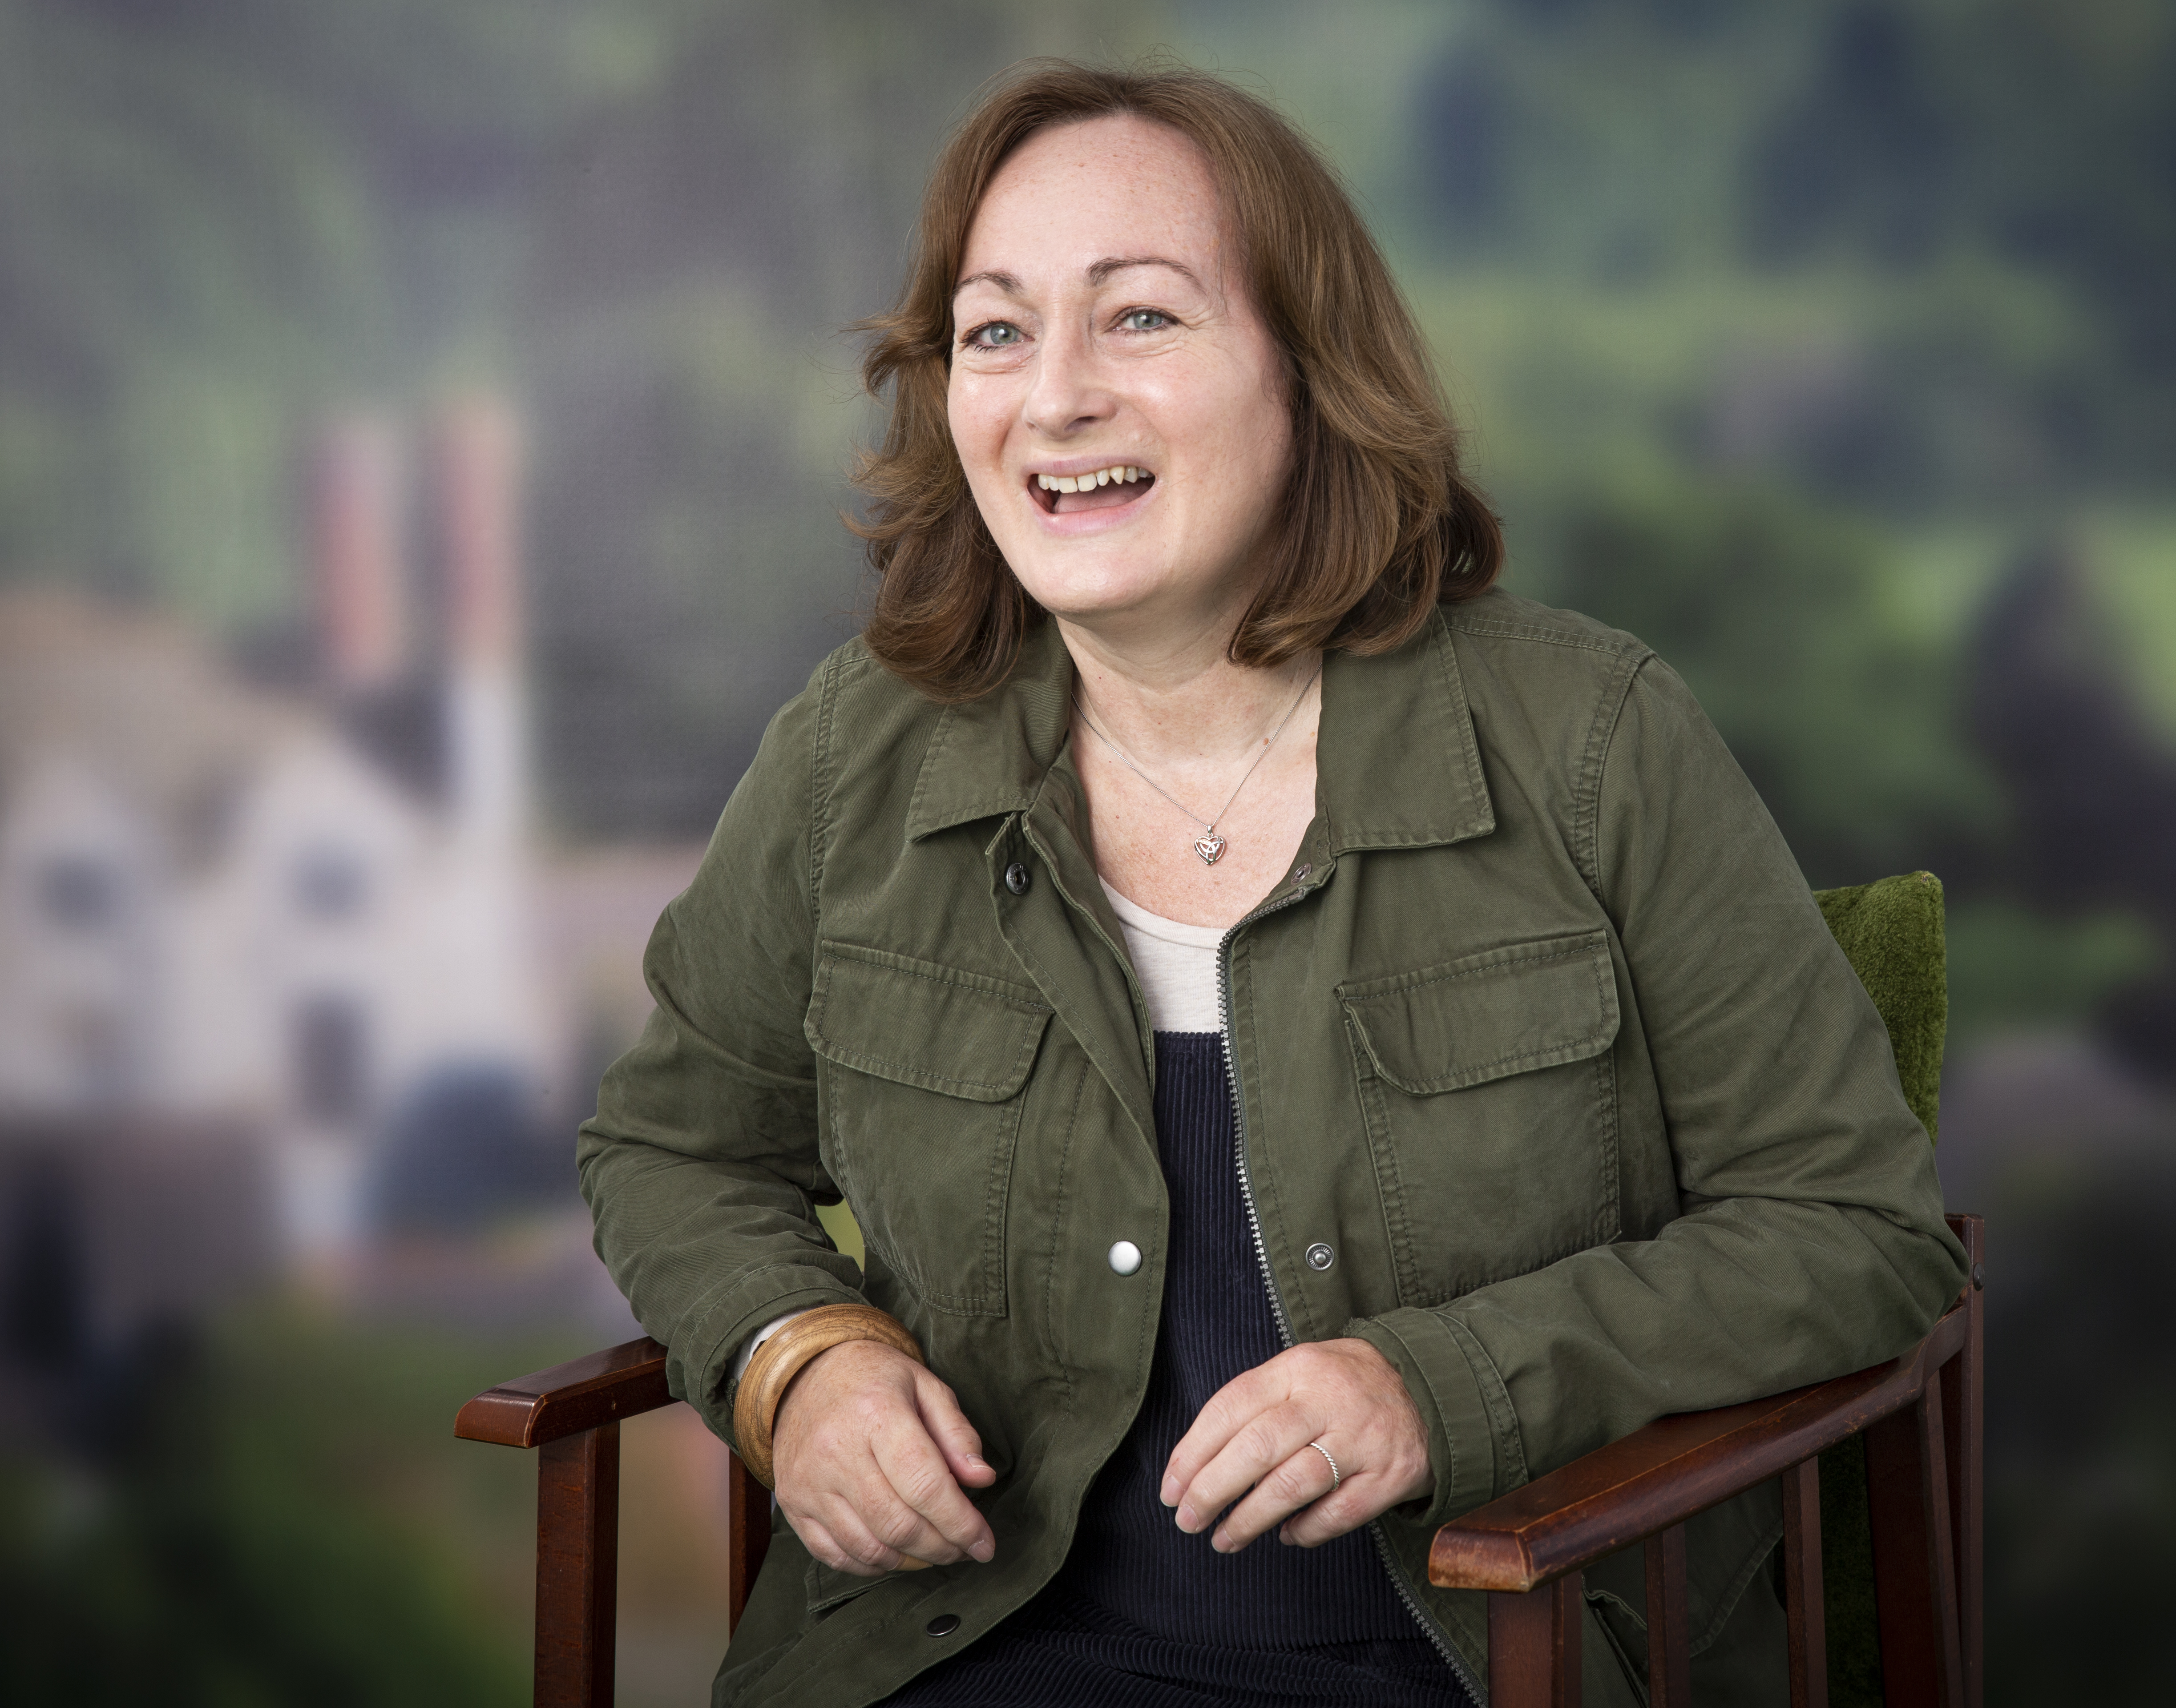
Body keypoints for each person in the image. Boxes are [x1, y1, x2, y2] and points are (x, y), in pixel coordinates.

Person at [578, 59, 1967, 1708]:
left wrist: (1442, 1386)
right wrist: (794, 1362)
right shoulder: (853, 754)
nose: (1056, 397)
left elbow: (1855, 1233)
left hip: (1481, 1656)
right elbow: (671, 1147)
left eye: (1141, 318)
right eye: (997, 331)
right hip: (954, 1657)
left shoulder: (1593, 739)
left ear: (1310, 370)